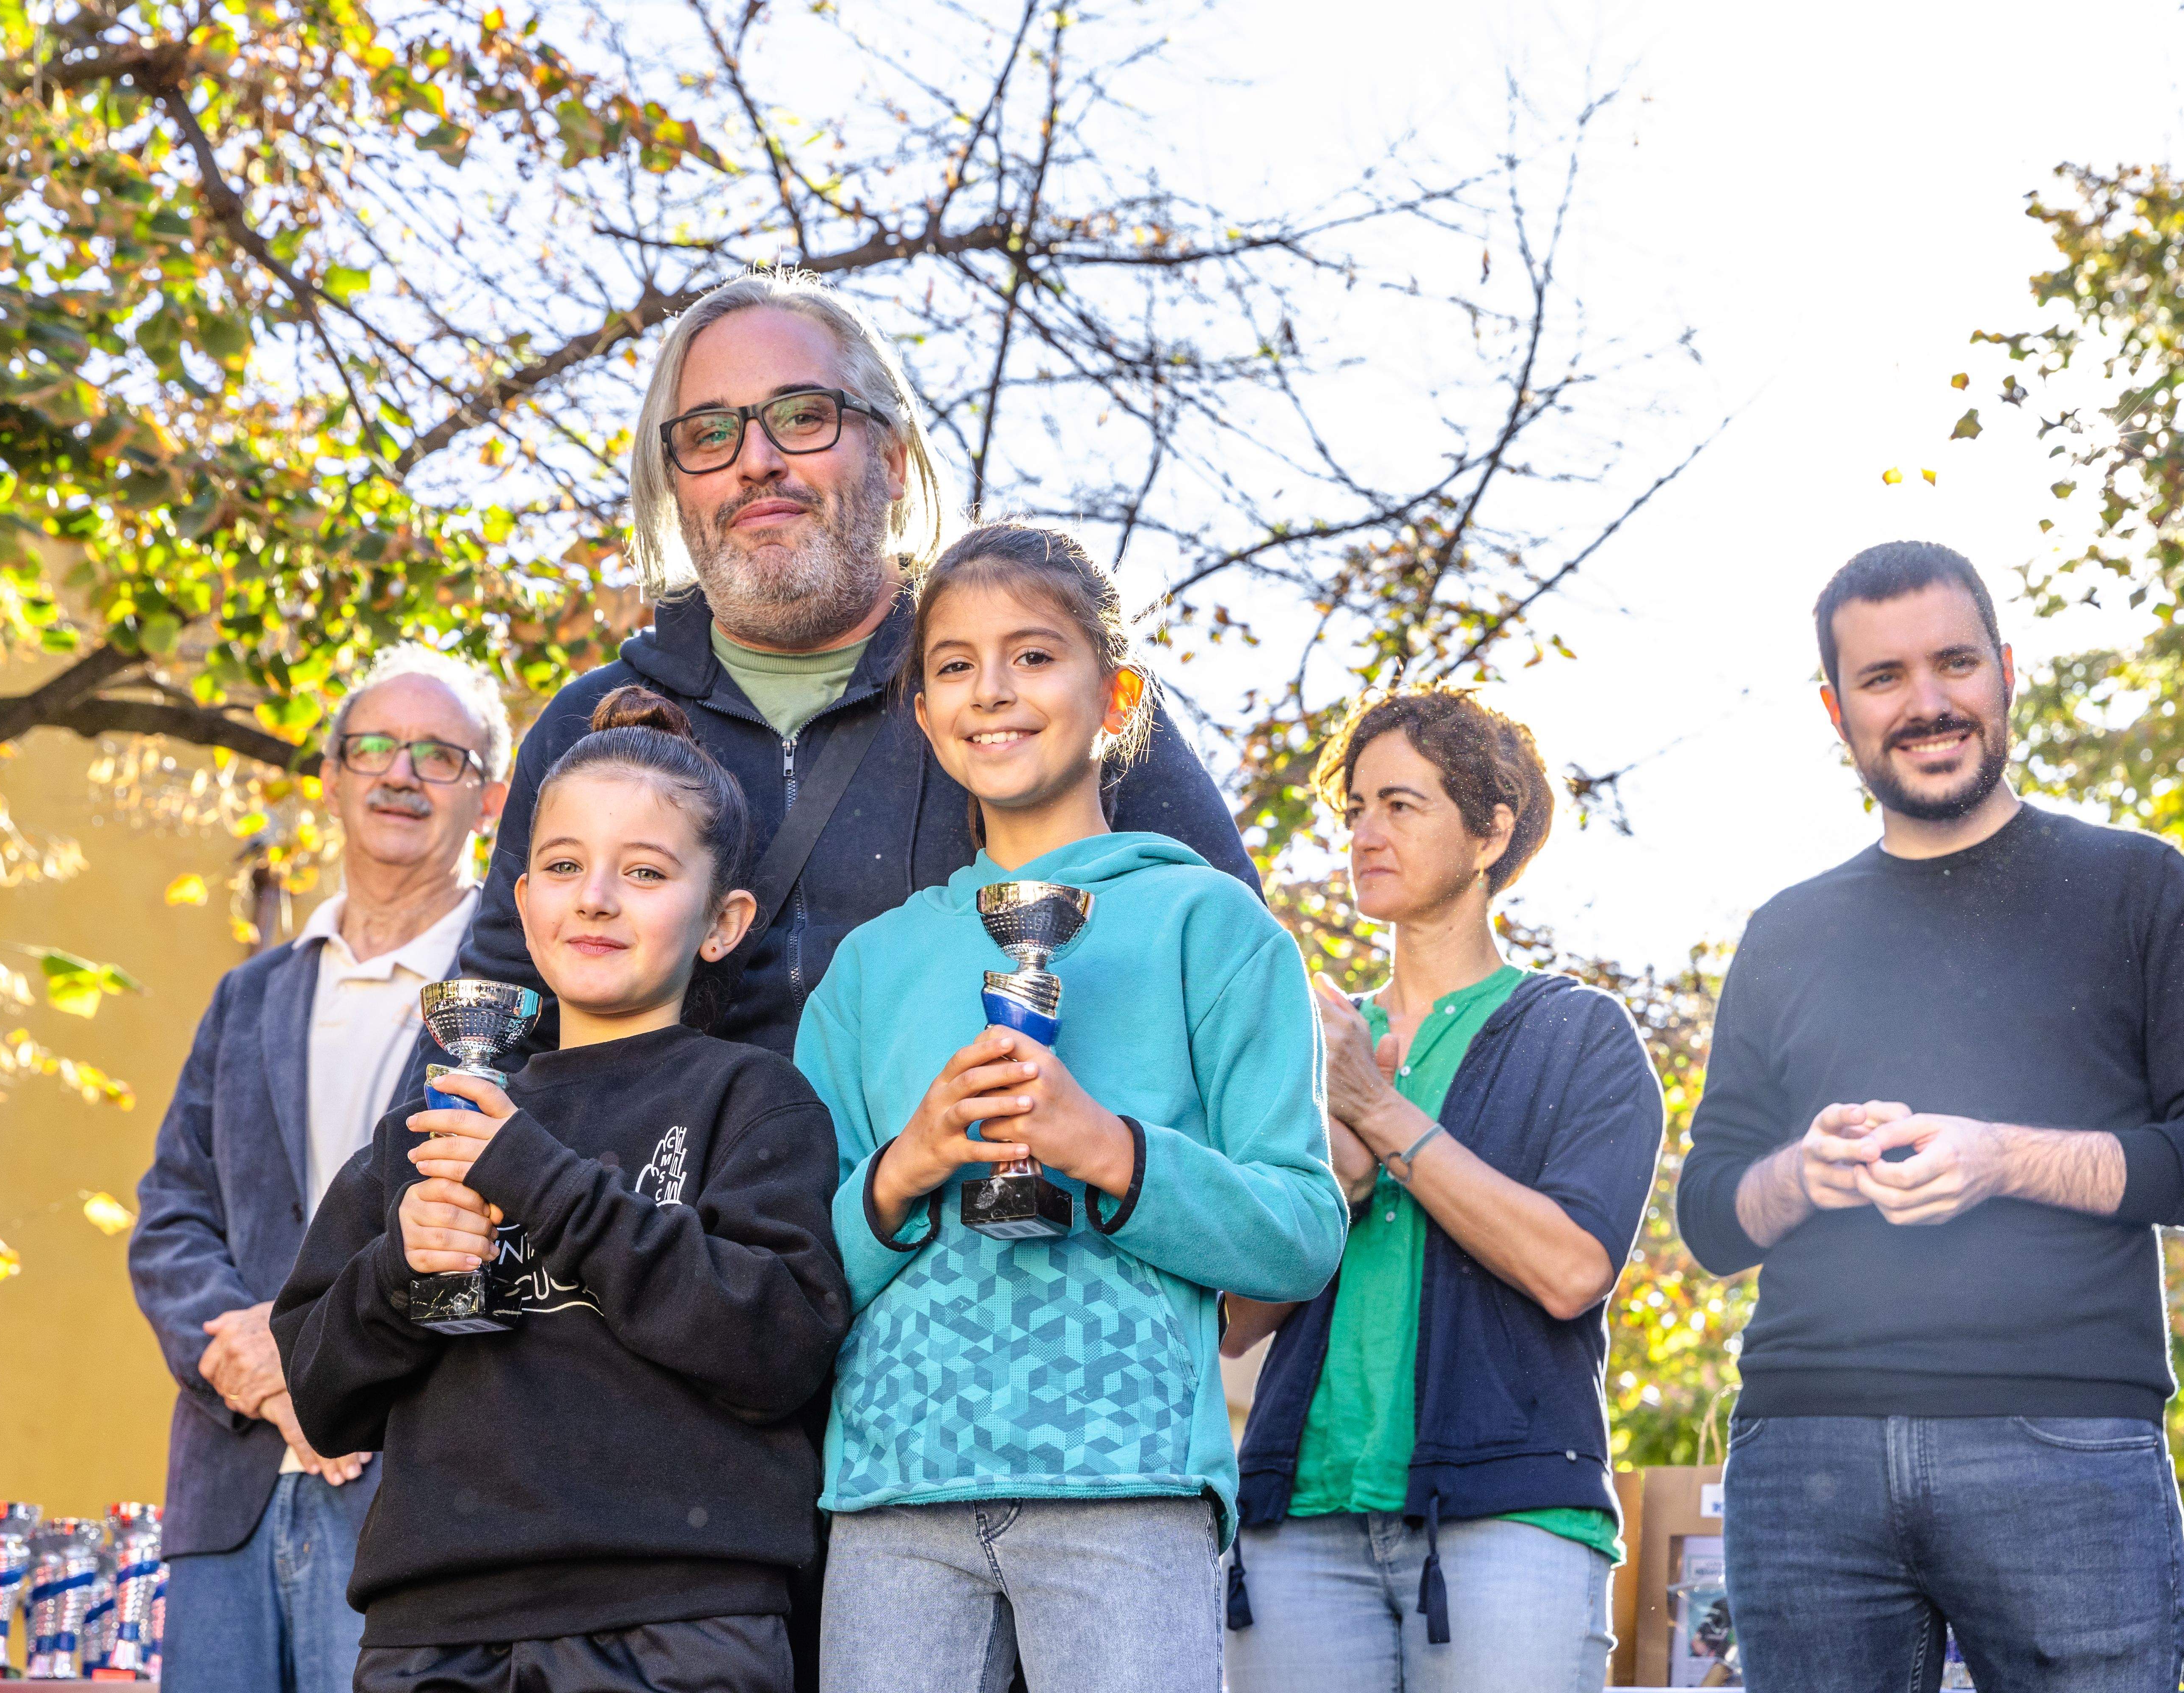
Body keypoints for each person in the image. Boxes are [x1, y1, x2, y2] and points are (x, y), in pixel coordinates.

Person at [423, 267, 1262, 1685]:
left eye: (798, 417)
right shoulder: (596, 718)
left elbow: (1217, 989)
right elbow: (480, 1036)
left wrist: (1189, 1261)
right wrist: (392, 1269)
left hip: (978, 1386)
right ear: (674, 484)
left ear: (889, 449)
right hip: (664, 1389)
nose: (755, 459)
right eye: (709, 434)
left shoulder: (1006, 681)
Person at [793, 523, 1348, 1693]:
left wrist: (1110, 1153)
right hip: (894, 1483)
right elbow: (792, 1277)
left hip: (1130, 1481)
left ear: (1116, 693)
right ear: (926, 714)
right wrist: (910, 1165)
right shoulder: (868, 970)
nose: (991, 690)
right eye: (953, 665)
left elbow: (1300, 1233)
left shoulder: (1215, 927)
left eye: (1034, 655)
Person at [1675, 540, 2184, 1691]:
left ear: (2007, 671)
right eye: (1883, 679)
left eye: (1955, 663)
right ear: (1837, 710)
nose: (1927, 704)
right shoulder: (1786, 931)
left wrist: (2001, 1160)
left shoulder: (2139, 887)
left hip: (2067, 1444)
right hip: (1805, 1451)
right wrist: (1806, 1175)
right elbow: (1711, 1215)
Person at [271, 687, 849, 1693]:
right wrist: (403, 1270)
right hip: (431, 1629)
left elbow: (778, 1348)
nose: (596, 897)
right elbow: (321, 1399)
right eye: (565, 866)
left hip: (677, 1622)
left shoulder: (753, 1100)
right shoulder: (435, 1124)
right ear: (525, 904)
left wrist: (538, 1181)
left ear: (724, 921)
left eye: (646, 871)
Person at [1218, 690, 1664, 1692]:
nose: (1365, 835)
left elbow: (1569, 1267)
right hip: (1297, 1516)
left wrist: (1377, 1112)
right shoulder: (1311, 1044)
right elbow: (1239, 1324)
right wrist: (1334, 1179)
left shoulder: (1580, 1035)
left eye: (1401, 806)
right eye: (1355, 811)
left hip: (1510, 1519)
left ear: (1491, 830)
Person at [129, 646, 511, 1693]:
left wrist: (329, 1363)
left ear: (492, 794)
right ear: (332, 777)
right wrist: (253, 1363)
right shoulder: (248, 995)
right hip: (231, 1483)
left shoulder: (525, 1000)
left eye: (440, 754)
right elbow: (171, 1214)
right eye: (374, 747)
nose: (401, 774)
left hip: (411, 1486)